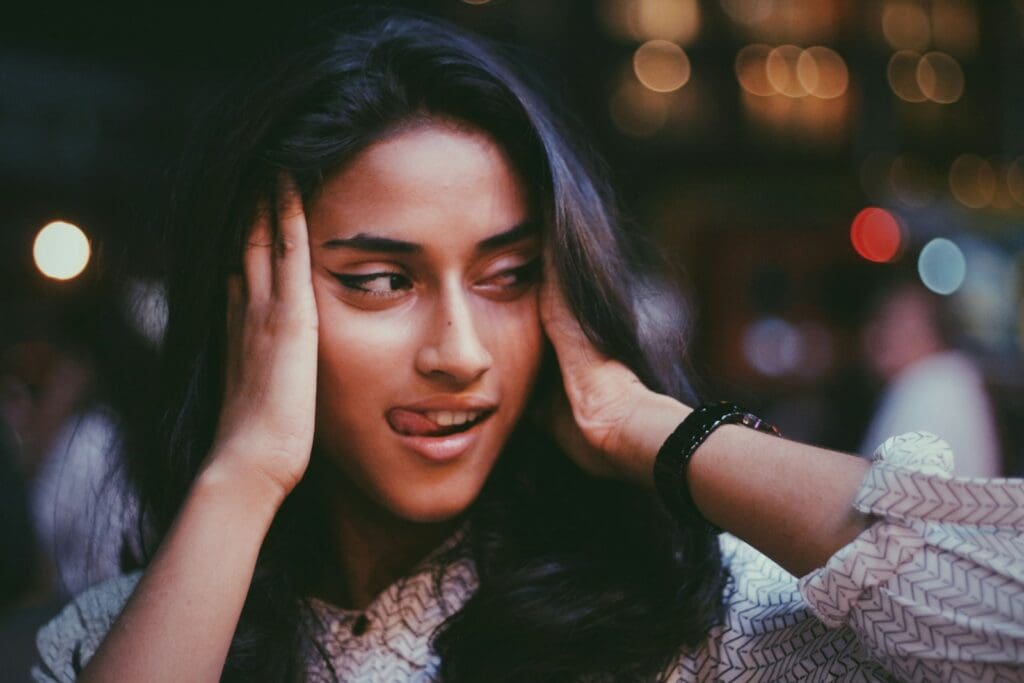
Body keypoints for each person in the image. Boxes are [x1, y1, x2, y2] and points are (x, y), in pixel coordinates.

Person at [32, 11, 1023, 682]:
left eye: (506, 277)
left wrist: (654, 428)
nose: (460, 350)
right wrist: (239, 478)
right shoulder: (112, 636)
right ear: (249, 304)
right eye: (382, 280)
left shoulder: (698, 619)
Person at [860, 278, 1002, 477]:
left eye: (894, 322)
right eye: (881, 321)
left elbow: (895, 493)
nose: (878, 333)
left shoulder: (934, 389)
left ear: (933, 332)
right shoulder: (941, 381)